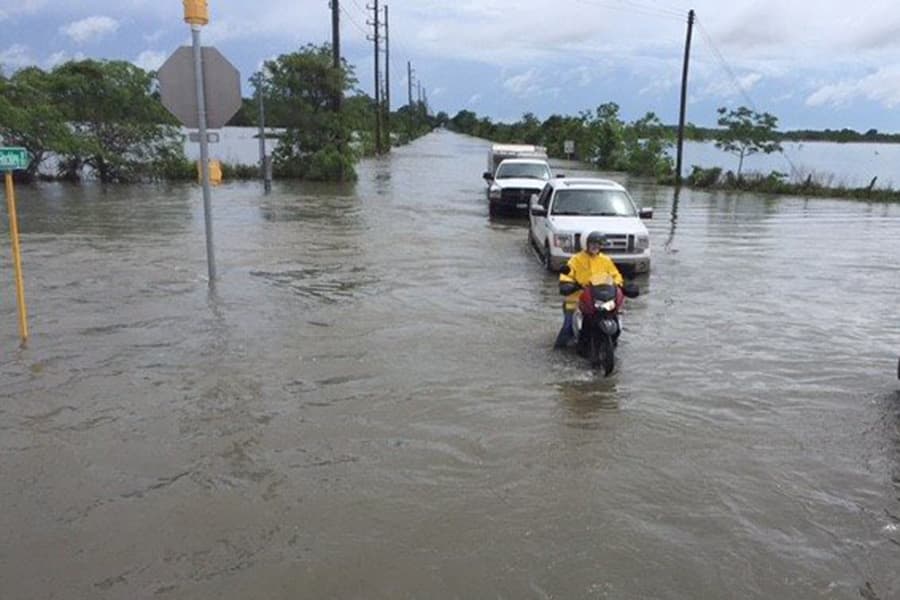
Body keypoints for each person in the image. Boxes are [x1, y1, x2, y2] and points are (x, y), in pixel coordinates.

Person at [554, 231, 624, 349]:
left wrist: (619, 285)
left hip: (600, 299)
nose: (595, 246)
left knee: (616, 317)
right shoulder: (575, 260)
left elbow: (615, 275)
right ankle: (558, 351)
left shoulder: (606, 260)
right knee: (567, 327)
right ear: (585, 243)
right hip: (577, 300)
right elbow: (566, 275)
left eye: (598, 244)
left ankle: (612, 342)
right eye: (593, 243)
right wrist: (566, 284)